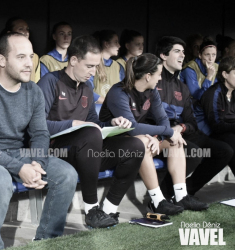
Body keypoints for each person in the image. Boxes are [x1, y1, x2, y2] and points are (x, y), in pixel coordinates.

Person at [0, 33, 78, 250]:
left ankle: (47, 242)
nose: (29, 64)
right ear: (2, 60)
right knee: (0, 179)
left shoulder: (33, 90)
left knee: (67, 174)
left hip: (15, 153)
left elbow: (41, 133)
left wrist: (38, 163)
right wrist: (19, 167)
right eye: (21, 57)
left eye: (31, 57)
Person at [38, 35, 145, 227]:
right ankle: (91, 210)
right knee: (89, 134)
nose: (94, 72)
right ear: (73, 60)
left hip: (87, 153)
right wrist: (73, 124)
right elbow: (38, 126)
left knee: (135, 146)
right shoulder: (49, 82)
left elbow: (93, 124)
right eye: (89, 66)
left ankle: (109, 209)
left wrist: (113, 123)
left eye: (96, 66)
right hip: (56, 152)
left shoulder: (86, 87)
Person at [100, 53, 208, 215]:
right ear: (147, 76)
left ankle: (181, 196)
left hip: (139, 139)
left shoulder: (152, 91)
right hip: (113, 145)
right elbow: (132, 128)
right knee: (143, 141)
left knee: (175, 142)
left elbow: (163, 119)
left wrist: (160, 137)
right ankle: (158, 201)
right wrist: (167, 131)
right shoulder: (119, 92)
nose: (160, 79)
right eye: (158, 75)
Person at [154, 36, 232, 202]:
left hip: (184, 132)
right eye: (177, 51)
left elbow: (190, 121)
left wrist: (182, 128)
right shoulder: (153, 81)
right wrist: (170, 130)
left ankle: (187, 191)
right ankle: (163, 197)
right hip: (161, 137)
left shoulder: (182, 87)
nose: (182, 55)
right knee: (194, 153)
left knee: (224, 151)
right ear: (163, 55)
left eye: (183, 52)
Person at [201, 56, 235, 178]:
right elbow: (216, 126)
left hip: (230, 131)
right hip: (211, 135)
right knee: (231, 143)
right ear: (225, 74)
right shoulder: (213, 93)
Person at [0, 17, 40, 83]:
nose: (26, 32)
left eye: (27, 29)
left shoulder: (35, 57)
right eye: (21, 29)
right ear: (10, 33)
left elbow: (37, 82)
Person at [89, 30, 125, 104]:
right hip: (97, 109)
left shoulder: (118, 66)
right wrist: (107, 102)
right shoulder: (92, 64)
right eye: (115, 42)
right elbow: (87, 90)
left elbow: (123, 90)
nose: (119, 45)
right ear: (106, 44)